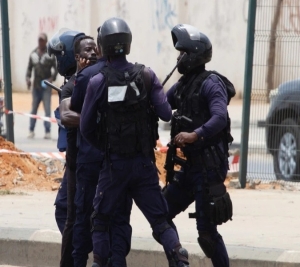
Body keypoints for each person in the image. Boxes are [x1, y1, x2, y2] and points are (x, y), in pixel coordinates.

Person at [80, 17, 190, 267]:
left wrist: (107, 145)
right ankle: (180, 258)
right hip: (143, 166)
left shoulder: (98, 81)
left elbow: (86, 127)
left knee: (100, 219)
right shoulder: (148, 75)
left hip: (114, 166)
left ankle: (99, 263)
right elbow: (165, 114)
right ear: (127, 43)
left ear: (103, 46)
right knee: (160, 221)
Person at [163, 24, 234, 267]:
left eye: (181, 53)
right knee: (161, 214)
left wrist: (195, 135)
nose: (178, 58)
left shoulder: (210, 83)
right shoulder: (183, 84)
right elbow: (162, 103)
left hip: (209, 169)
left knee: (207, 234)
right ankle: (179, 261)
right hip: (190, 167)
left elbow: (219, 117)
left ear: (192, 55)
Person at [70, 26, 133, 267]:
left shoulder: (87, 77)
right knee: (118, 218)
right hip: (121, 161)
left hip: (90, 159)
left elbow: (76, 112)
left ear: (99, 46)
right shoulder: (137, 74)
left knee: (85, 218)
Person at [48, 29, 93, 267]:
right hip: (80, 158)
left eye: (58, 55)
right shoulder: (77, 81)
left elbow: (68, 119)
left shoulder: (78, 83)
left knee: (70, 214)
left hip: (81, 160)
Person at [26, 32, 58, 139]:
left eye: (42, 40)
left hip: (46, 86)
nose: (40, 42)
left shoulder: (50, 55)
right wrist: (28, 79)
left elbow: (56, 68)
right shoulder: (33, 54)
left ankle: (47, 131)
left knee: (47, 109)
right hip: (36, 87)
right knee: (34, 108)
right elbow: (29, 69)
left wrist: (51, 79)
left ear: (46, 41)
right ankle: (31, 130)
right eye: (39, 40)